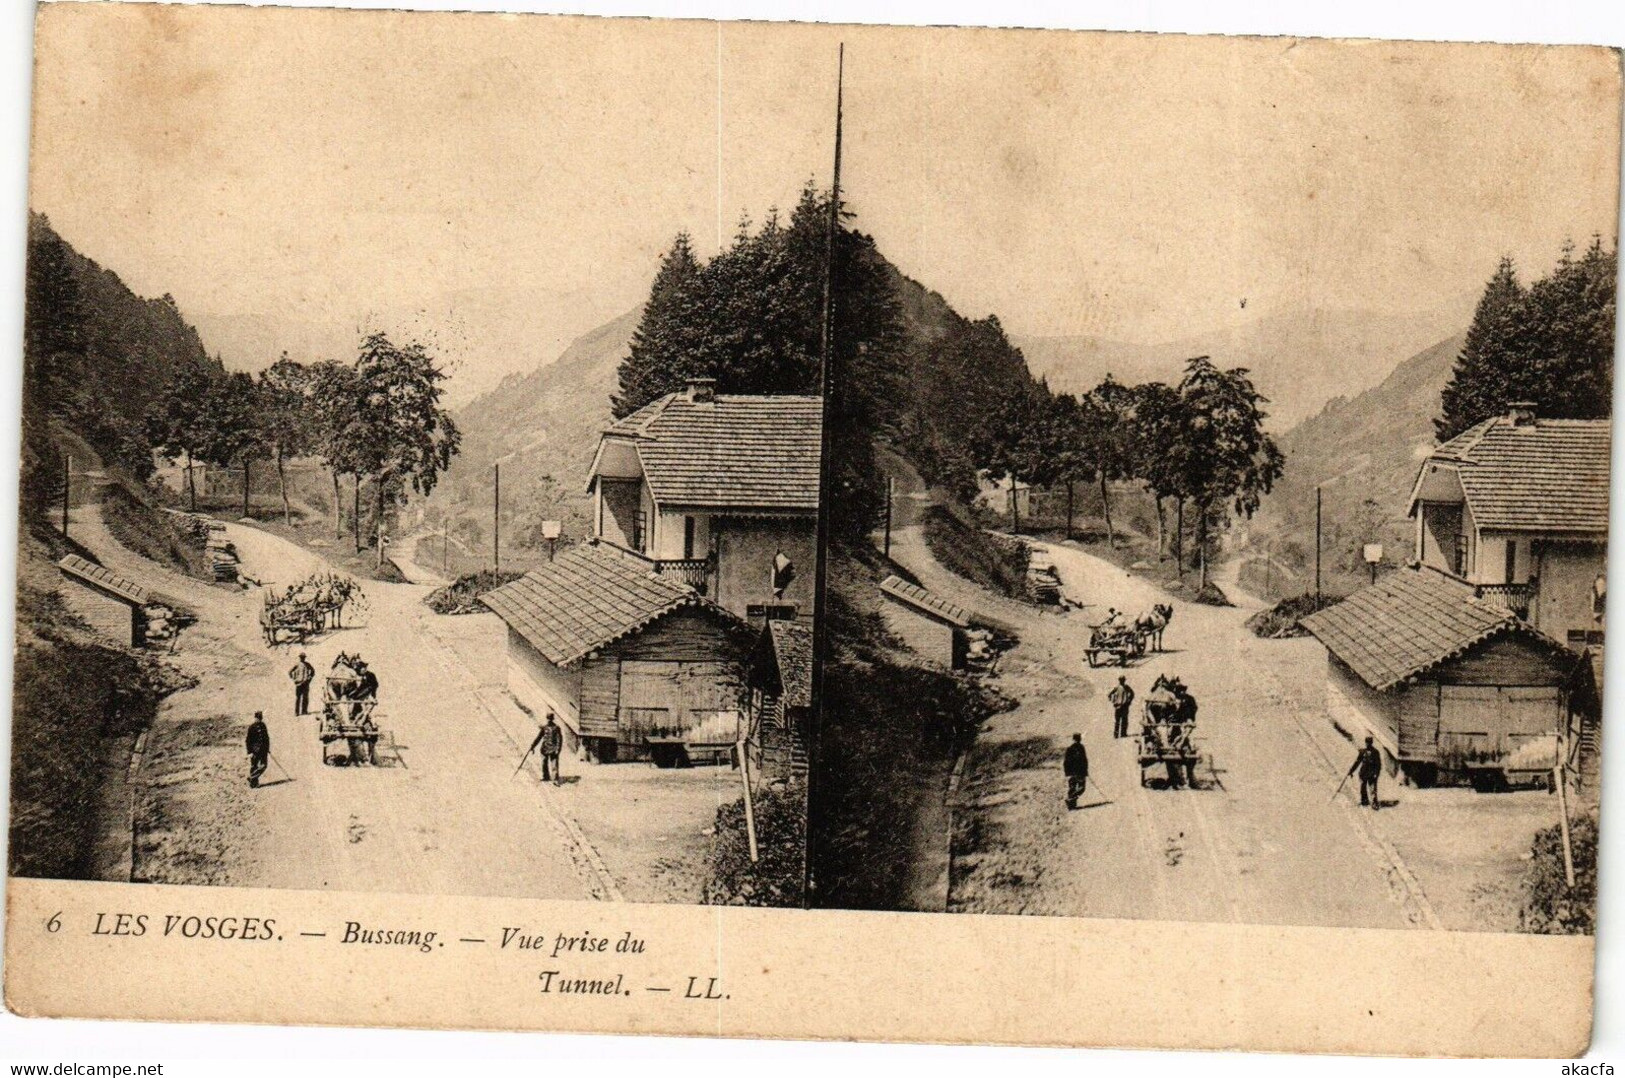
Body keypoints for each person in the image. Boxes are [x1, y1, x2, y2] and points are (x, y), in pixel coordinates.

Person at [1350, 735, 1383, 810]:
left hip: (1371, 773)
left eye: (1369, 743)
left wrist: (1376, 774)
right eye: (1367, 743)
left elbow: (1378, 765)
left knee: (1373, 788)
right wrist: (1351, 771)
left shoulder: (1375, 752)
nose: (1368, 744)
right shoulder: (1362, 752)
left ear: (1371, 743)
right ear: (1365, 743)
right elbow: (1357, 762)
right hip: (1363, 773)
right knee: (1363, 788)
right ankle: (1364, 801)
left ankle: (1374, 803)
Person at [536, 713, 565, 785]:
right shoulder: (544, 728)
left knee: (554, 764)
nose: (549, 720)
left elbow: (559, 739)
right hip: (545, 748)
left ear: (552, 719)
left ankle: (555, 779)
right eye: (548, 719)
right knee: (544, 763)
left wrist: (558, 749)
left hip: (553, 749)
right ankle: (546, 777)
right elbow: (538, 737)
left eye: (550, 719)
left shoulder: (556, 728)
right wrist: (533, 746)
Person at [1063, 733, 1089, 810]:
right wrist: (1085, 770)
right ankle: (1071, 800)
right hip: (1080, 772)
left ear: (1073, 739)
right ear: (1080, 739)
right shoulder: (1081, 748)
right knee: (1081, 788)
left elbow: (1066, 762)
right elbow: (1084, 760)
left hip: (1072, 772)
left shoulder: (1069, 748)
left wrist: (1067, 772)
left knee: (1072, 788)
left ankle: (1071, 806)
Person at [245, 711, 270, 788]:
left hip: (263, 750)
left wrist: (267, 748)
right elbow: (248, 740)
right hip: (255, 751)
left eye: (260, 718)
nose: (258, 720)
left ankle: (252, 777)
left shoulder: (263, 725)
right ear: (255, 718)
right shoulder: (252, 727)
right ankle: (253, 784)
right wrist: (250, 752)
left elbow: (266, 738)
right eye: (257, 718)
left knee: (264, 765)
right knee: (254, 766)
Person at [289, 652, 314, 716]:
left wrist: (309, 679)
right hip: (298, 684)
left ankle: (304, 711)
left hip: (306, 683)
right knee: (298, 698)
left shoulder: (307, 664)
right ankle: (296, 712)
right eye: (301, 657)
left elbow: (313, 671)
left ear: (305, 658)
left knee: (305, 698)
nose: (302, 658)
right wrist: (293, 679)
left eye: (303, 657)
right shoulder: (297, 664)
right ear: (299, 657)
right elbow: (290, 672)